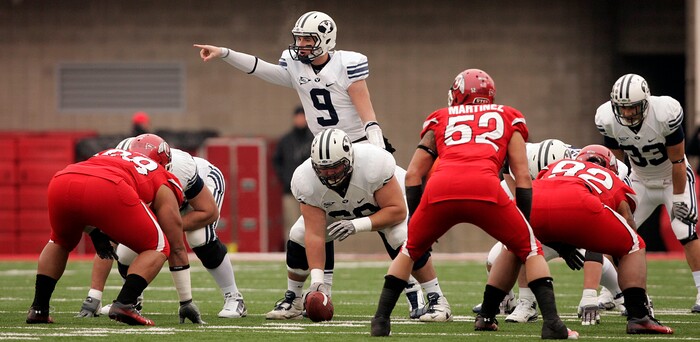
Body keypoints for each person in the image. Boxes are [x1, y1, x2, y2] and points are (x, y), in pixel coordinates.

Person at [370, 69, 576, 339]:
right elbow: (523, 177)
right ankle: (552, 324)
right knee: (530, 250)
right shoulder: (508, 116)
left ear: (458, 94)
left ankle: (381, 322)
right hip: (485, 188)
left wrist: (420, 217)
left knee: (408, 251)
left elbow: (412, 175)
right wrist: (524, 223)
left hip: (440, 189)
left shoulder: (441, 117)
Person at [265, 128, 446, 322]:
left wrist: (356, 225)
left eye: (335, 167)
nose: (330, 174)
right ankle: (294, 299)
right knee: (298, 234)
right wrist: (318, 283)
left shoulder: (373, 164)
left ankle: (436, 299)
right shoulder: (305, 179)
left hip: (387, 206)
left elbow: (396, 211)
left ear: (349, 158)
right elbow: (315, 234)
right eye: (323, 169)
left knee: (400, 237)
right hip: (337, 210)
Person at [76, 138, 246, 320]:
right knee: (125, 253)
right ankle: (131, 300)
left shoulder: (182, 170)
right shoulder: (122, 174)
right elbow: (109, 240)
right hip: (163, 199)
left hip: (196, 194)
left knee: (199, 238)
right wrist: (94, 296)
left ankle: (234, 297)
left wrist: (165, 228)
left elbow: (208, 212)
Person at [26, 137, 184, 326]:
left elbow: (86, 191)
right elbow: (174, 237)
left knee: (59, 241)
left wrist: (94, 232)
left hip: (63, 179)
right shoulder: (160, 173)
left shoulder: (107, 153)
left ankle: (39, 309)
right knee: (158, 246)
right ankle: (125, 303)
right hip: (109, 186)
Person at [474, 139, 628, 325]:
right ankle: (515, 301)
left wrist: (589, 294)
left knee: (612, 246)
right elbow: (520, 224)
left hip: (575, 218)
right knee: (502, 253)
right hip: (545, 224)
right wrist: (561, 247)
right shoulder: (518, 171)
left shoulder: (609, 170)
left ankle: (623, 294)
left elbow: (597, 238)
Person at [194, 10, 393, 152]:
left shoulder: (346, 64)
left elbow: (368, 116)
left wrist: (376, 145)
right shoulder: (296, 67)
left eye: (308, 39)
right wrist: (224, 53)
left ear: (326, 39)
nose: (301, 45)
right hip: (322, 148)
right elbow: (258, 67)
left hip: (358, 144)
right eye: (299, 39)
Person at [527, 144, 672, 334]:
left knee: (515, 248)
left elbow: (541, 193)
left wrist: (562, 246)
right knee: (633, 244)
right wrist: (590, 295)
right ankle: (639, 316)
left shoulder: (557, 165)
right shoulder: (612, 176)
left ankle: (491, 311)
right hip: (580, 207)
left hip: (532, 204)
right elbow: (621, 224)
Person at [595, 73, 700, 313]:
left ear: (646, 102)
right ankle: (610, 291)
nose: (628, 113)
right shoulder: (608, 119)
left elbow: (678, 162)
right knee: (614, 231)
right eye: (623, 108)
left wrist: (679, 198)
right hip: (639, 180)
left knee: (684, 230)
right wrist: (615, 194)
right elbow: (615, 164)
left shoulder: (664, 113)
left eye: (633, 108)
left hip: (672, 178)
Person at [273, 105, 314, 236]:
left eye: (303, 117)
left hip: (310, 191)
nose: (300, 120)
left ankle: (310, 252)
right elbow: (276, 161)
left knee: (311, 223)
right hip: (289, 190)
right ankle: (291, 252)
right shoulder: (286, 140)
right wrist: (284, 178)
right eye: (298, 117)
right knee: (291, 223)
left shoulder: (313, 138)